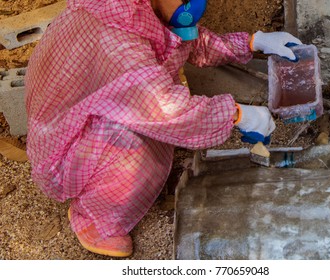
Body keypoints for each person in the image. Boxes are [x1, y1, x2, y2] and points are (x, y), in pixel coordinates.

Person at [25, 0, 302, 257]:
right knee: (134, 140)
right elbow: (166, 110)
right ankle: (94, 218)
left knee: (152, 130)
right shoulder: (116, 36)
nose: (195, 4)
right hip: (65, 145)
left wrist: (253, 42)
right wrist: (237, 114)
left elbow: (188, 42)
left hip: (92, 113)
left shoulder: (139, 10)